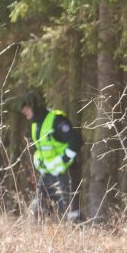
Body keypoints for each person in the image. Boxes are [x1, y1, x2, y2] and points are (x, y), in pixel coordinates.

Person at [21, 90, 83, 221]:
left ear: (35, 106)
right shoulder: (35, 124)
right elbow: (41, 149)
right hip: (48, 173)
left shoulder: (56, 120)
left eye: (26, 108)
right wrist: (39, 161)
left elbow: (76, 140)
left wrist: (63, 160)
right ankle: (36, 239)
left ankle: (79, 236)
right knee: (37, 212)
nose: (23, 111)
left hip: (66, 173)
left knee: (71, 214)